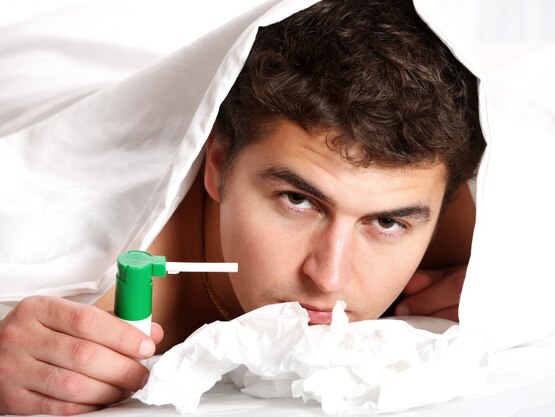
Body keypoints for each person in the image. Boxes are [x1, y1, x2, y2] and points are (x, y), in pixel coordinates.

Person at [0, 0, 485, 414]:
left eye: (385, 223)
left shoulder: (466, 220)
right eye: (298, 200)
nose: (329, 277)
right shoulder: (58, 248)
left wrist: (512, 286)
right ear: (216, 164)